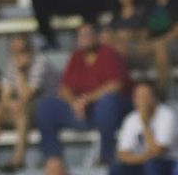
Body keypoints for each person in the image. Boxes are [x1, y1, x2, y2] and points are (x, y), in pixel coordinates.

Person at [36, 23, 132, 166]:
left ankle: (106, 156)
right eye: (81, 36)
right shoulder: (76, 56)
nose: (84, 39)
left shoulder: (108, 53)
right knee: (46, 106)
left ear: (97, 37)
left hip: (108, 110)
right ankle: (52, 157)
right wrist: (75, 102)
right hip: (82, 111)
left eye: (88, 35)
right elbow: (64, 88)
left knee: (107, 102)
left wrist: (87, 100)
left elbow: (115, 85)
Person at [108, 81, 178, 175]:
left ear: (154, 98)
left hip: (170, 169)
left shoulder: (167, 115)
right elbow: (122, 154)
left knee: (152, 165)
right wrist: (142, 158)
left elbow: (158, 151)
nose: (142, 100)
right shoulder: (131, 119)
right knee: (115, 170)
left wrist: (145, 124)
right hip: (144, 166)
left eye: (145, 96)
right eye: (138, 96)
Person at [0, 34, 55, 172]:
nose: (17, 54)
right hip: (18, 109)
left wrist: (21, 72)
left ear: (29, 49)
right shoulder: (12, 63)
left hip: (42, 112)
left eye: (21, 50)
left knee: (22, 112)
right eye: (14, 51)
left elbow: (27, 95)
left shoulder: (40, 63)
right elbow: (4, 96)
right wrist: (10, 103)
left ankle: (18, 159)